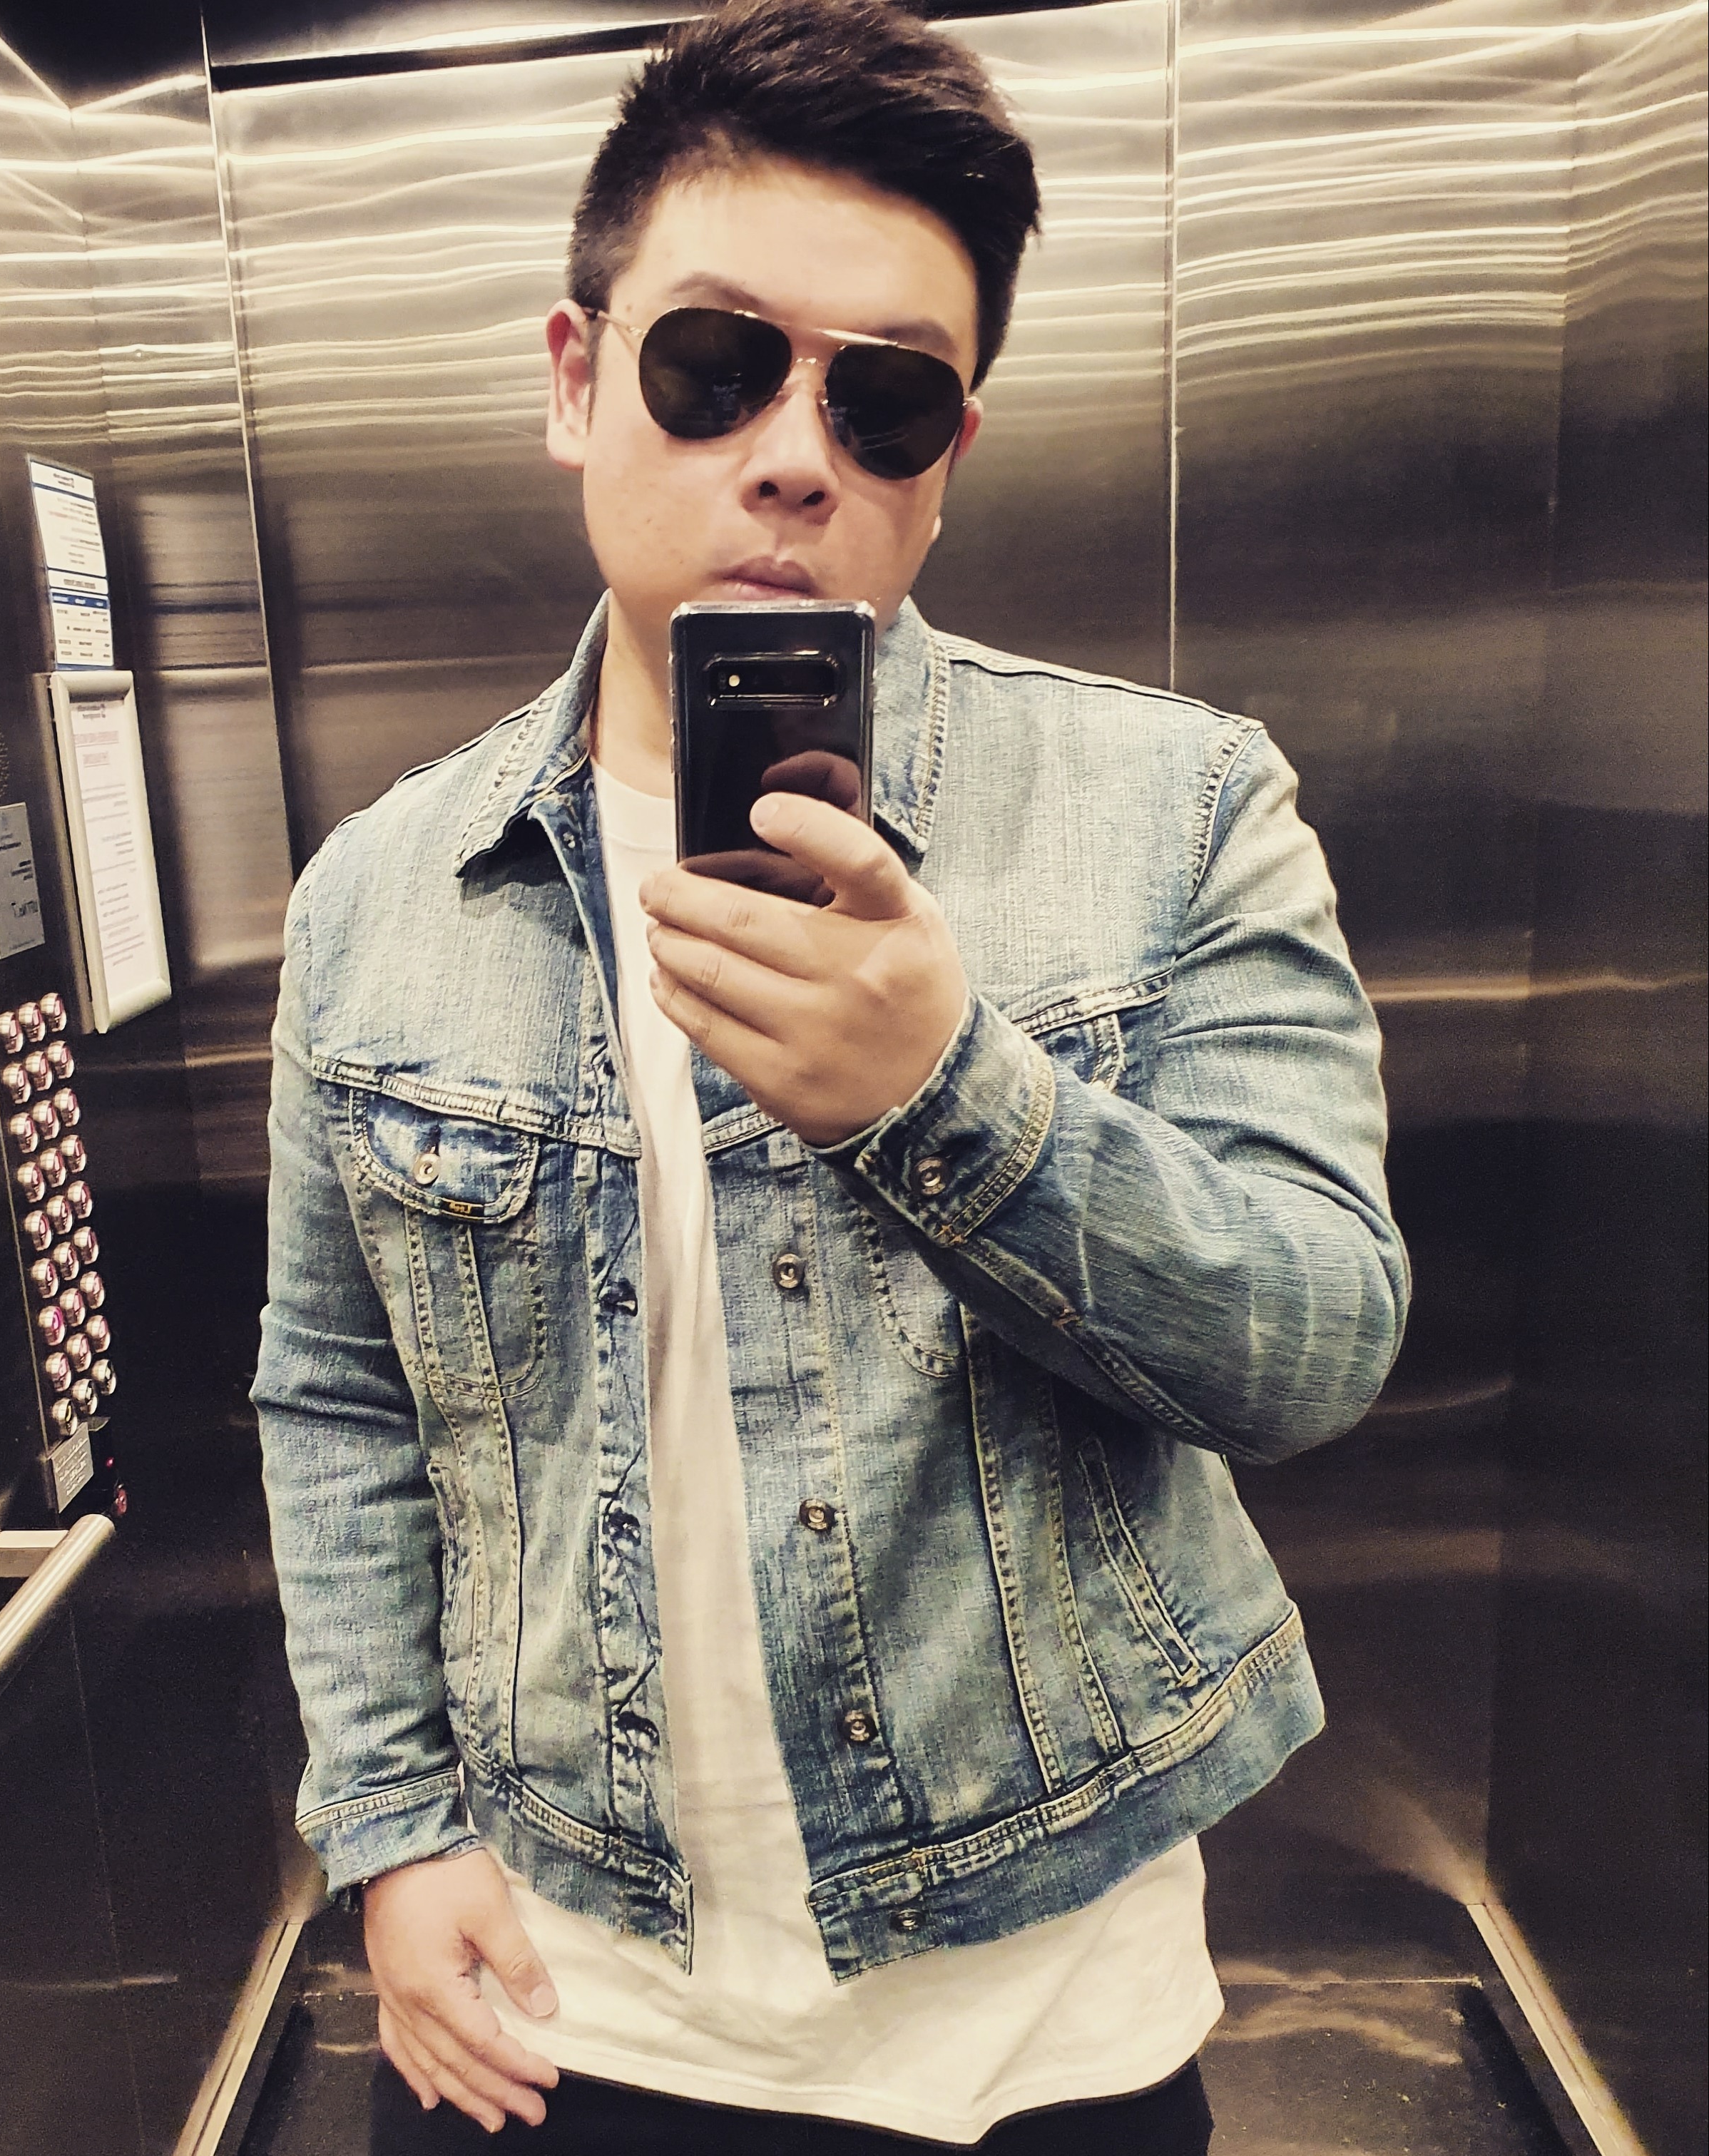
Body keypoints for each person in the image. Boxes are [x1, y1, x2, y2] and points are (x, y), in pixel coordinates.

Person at [251, 2, 1409, 2148]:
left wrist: (943, 1096)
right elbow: (337, 1402)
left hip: (1041, 2020)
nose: (796, 455)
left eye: (885, 402)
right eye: (716, 365)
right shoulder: (377, 901)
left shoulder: (1179, 811)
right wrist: (389, 1832)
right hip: (554, 2003)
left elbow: (1316, 1344)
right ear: (577, 377)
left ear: (947, 460)